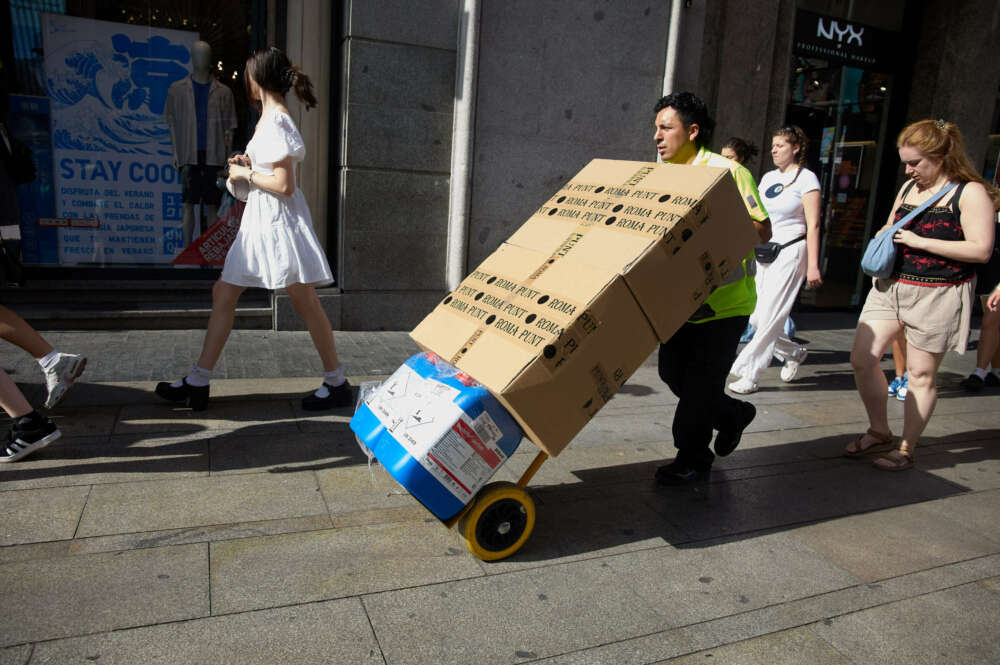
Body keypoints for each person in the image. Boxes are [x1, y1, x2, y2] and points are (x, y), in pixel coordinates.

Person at [156, 47, 350, 412]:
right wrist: (247, 167)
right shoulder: (269, 118)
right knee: (226, 293)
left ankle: (336, 381)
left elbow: (284, 185)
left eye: (247, 73)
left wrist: (246, 173)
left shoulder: (276, 120)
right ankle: (199, 380)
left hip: (277, 224)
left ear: (257, 78)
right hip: (264, 222)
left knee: (300, 300)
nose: (245, 79)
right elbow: (272, 180)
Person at [845, 119, 998, 471]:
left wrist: (920, 242)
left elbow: (981, 250)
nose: (909, 170)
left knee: (921, 374)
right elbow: (889, 225)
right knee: (862, 358)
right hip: (889, 288)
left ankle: (906, 447)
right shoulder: (907, 189)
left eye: (916, 163)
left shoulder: (969, 191)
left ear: (942, 156)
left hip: (938, 293)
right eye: (906, 163)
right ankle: (879, 429)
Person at [651, 92, 771, 485]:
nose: (657, 136)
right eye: (656, 128)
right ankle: (733, 414)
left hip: (725, 304)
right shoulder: (662, 173)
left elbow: (760, 228)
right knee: (672, 372)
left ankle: (692, 457)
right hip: (679, 302)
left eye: (666, 128)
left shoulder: (727, 172)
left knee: (701, 384)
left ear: (693, 131)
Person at [729, 126, 821, 393]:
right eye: (773, 145)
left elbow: (814, 225)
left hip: (792, 252)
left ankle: (750, 373)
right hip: (764, 252)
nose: (774, 150)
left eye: (780, 145)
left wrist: (814, 265)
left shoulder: (807, 179)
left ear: (795, 148)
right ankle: (793, 352)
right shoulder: (768, 178)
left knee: (771, 317)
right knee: (757, 317)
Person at [164, 41, 238, 247]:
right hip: (189, 153)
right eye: (197, 54)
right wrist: (175, 153)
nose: (201, 59)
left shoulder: (224, 92)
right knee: (188, 203)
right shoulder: (177, 90)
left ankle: (210, 250)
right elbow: (171, 123)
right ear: (191, 58)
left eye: (205, 55)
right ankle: (187, 249)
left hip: (214, 155)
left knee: (213, 204)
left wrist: (227, 158)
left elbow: (229, 128)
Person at [959, 216, 1000, 391]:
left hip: (996, 279)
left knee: (990, 323)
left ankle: (980, 372)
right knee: (995, 326)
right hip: (988, 273)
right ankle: (996, 371)